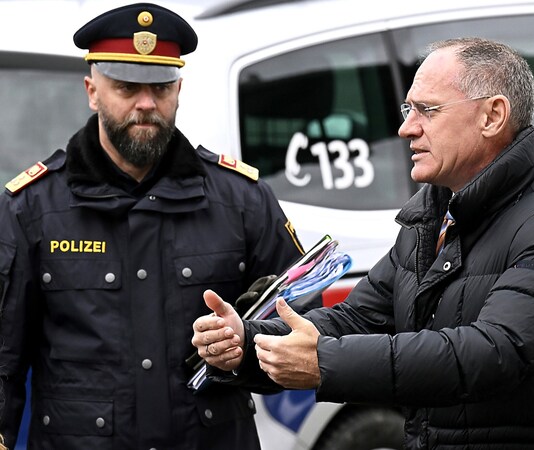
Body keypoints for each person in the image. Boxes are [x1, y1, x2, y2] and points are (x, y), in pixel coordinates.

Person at [193, 37, 534, 449]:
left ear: (492, 116)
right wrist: (245, 343)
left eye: (427, 110)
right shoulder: (434, 211)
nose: (406, 128)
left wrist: (324, 363)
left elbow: (491, 352)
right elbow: (359, 319)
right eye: (408, 108)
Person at [0, 3, 307, 449]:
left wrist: (245, 347)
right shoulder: (31, 209)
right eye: (126, 86)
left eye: (160, 87)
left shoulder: (241, 200)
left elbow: (302, 326)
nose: (146, 104)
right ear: (92, 90)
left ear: (179, 88)